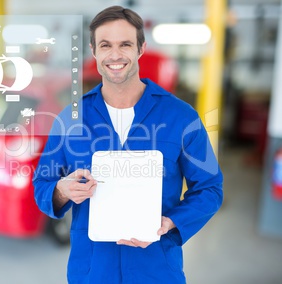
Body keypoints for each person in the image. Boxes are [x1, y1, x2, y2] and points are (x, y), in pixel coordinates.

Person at [33, 5, 223, 283]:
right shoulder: (70, 119)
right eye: (105, 45)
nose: (115, 54)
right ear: (94, 51)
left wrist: (170, 222)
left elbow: (210, 188)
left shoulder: (181, 117)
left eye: (125, 44)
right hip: (92, 271)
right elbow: (42, 184)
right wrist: (61, 191)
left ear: (141, 48)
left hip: (156, 267)